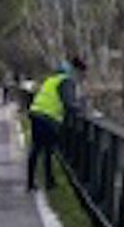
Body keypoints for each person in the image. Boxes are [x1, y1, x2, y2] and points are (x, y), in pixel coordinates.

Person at [28, 57, 87, 192]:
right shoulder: (67, 81)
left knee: (36, 149)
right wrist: (82, 110)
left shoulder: (53, 78)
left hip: (36, 112)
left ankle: (31, 182)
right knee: (48, 150)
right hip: (48, 117)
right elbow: (69, 103)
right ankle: (49, 181)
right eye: (82, 74)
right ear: (77, 71)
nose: (82, 78)